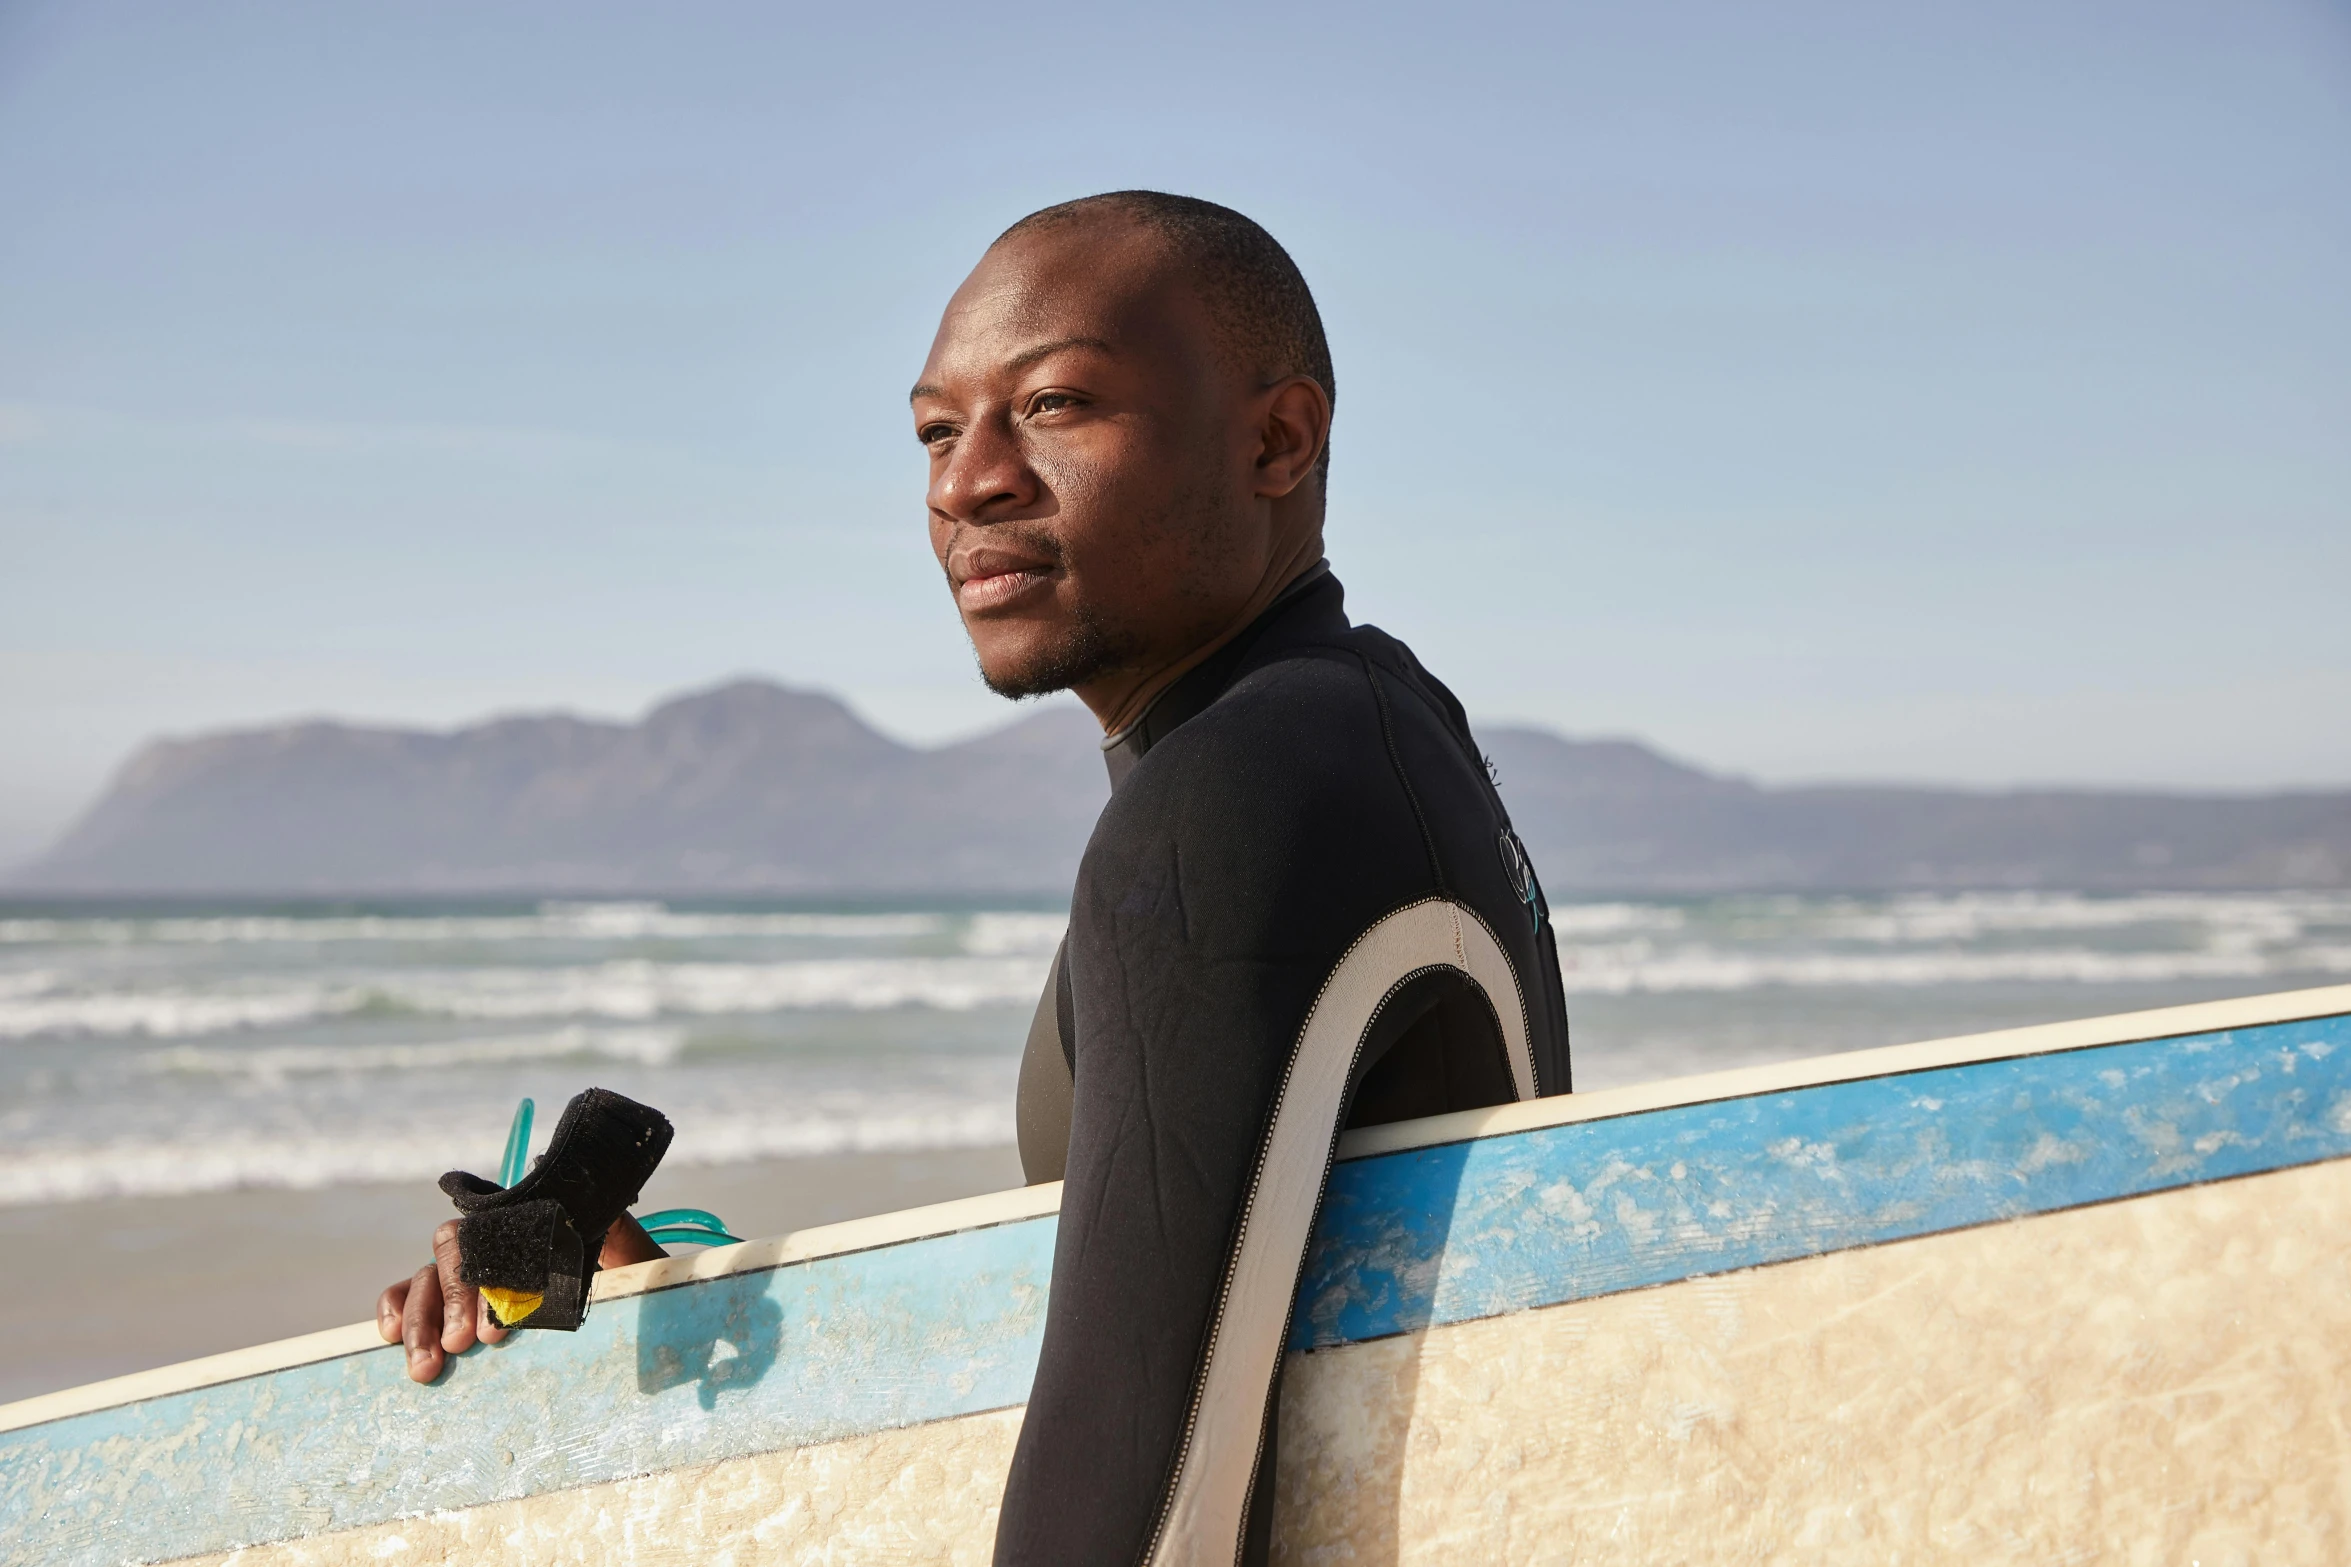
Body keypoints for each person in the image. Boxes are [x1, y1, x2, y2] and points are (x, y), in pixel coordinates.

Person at [377, 190, 1571, 1567]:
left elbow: (1148, 1490)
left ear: (1276, 438)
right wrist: (680, 1308)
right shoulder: (1370, 722)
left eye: (1054, 405)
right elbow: (1248, 1337)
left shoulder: (1234, 800)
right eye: (937, 432)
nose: (966, 483)